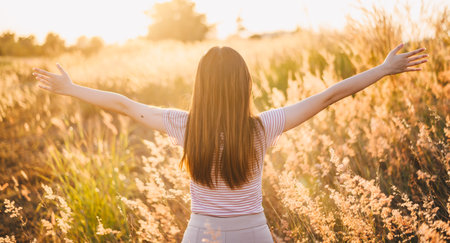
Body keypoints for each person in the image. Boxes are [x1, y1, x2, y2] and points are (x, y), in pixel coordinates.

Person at [32, 43, 428, 242]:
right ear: (244, 86)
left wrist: (71, 89)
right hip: (254, 234)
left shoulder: (183, 125)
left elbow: (122, 104)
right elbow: (327, 96)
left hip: (200, 234)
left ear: (200, 86)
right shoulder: (262, 128)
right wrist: (383, 69)